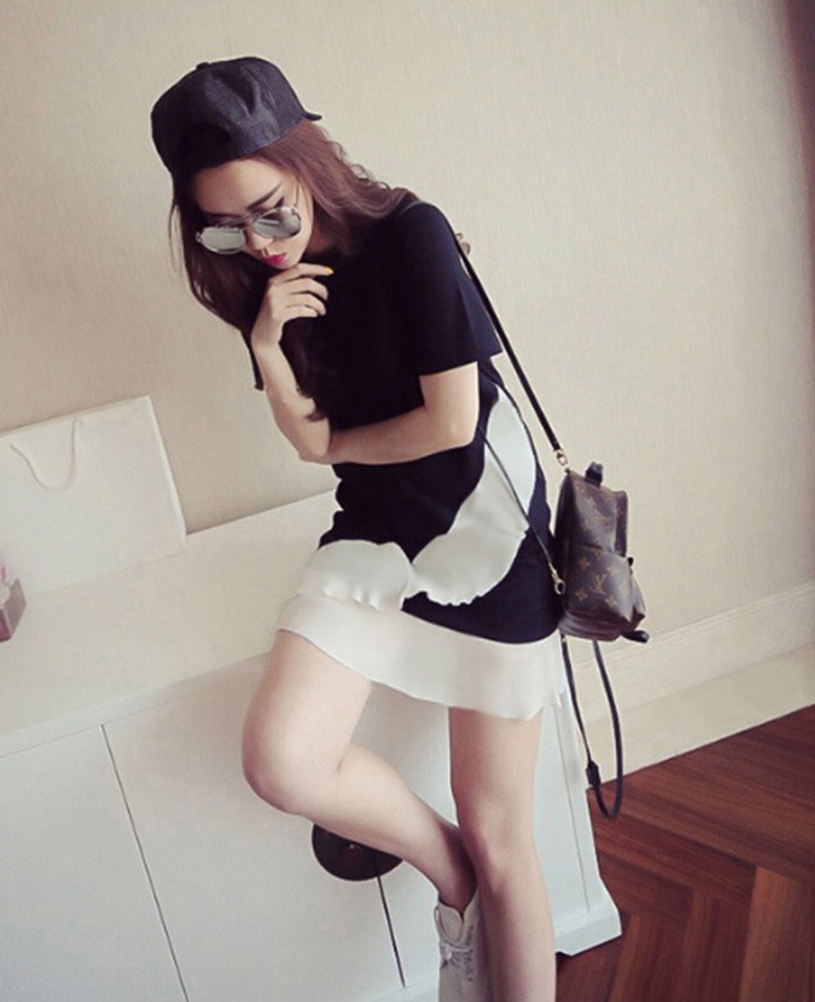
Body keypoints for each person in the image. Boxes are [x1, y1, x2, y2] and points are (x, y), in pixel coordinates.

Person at [151, 57, 563, 1002]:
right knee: (281, 762)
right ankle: (452, 877)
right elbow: (309, 445)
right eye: (225, 225)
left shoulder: (412, 234)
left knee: (504, 833)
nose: (256, 243)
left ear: (310, 164)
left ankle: (485, 882)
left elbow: (449, 424)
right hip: (374, 533)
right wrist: (266, 344)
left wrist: (337, 442)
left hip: (488, 530)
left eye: (270, 213)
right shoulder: (262, 283)